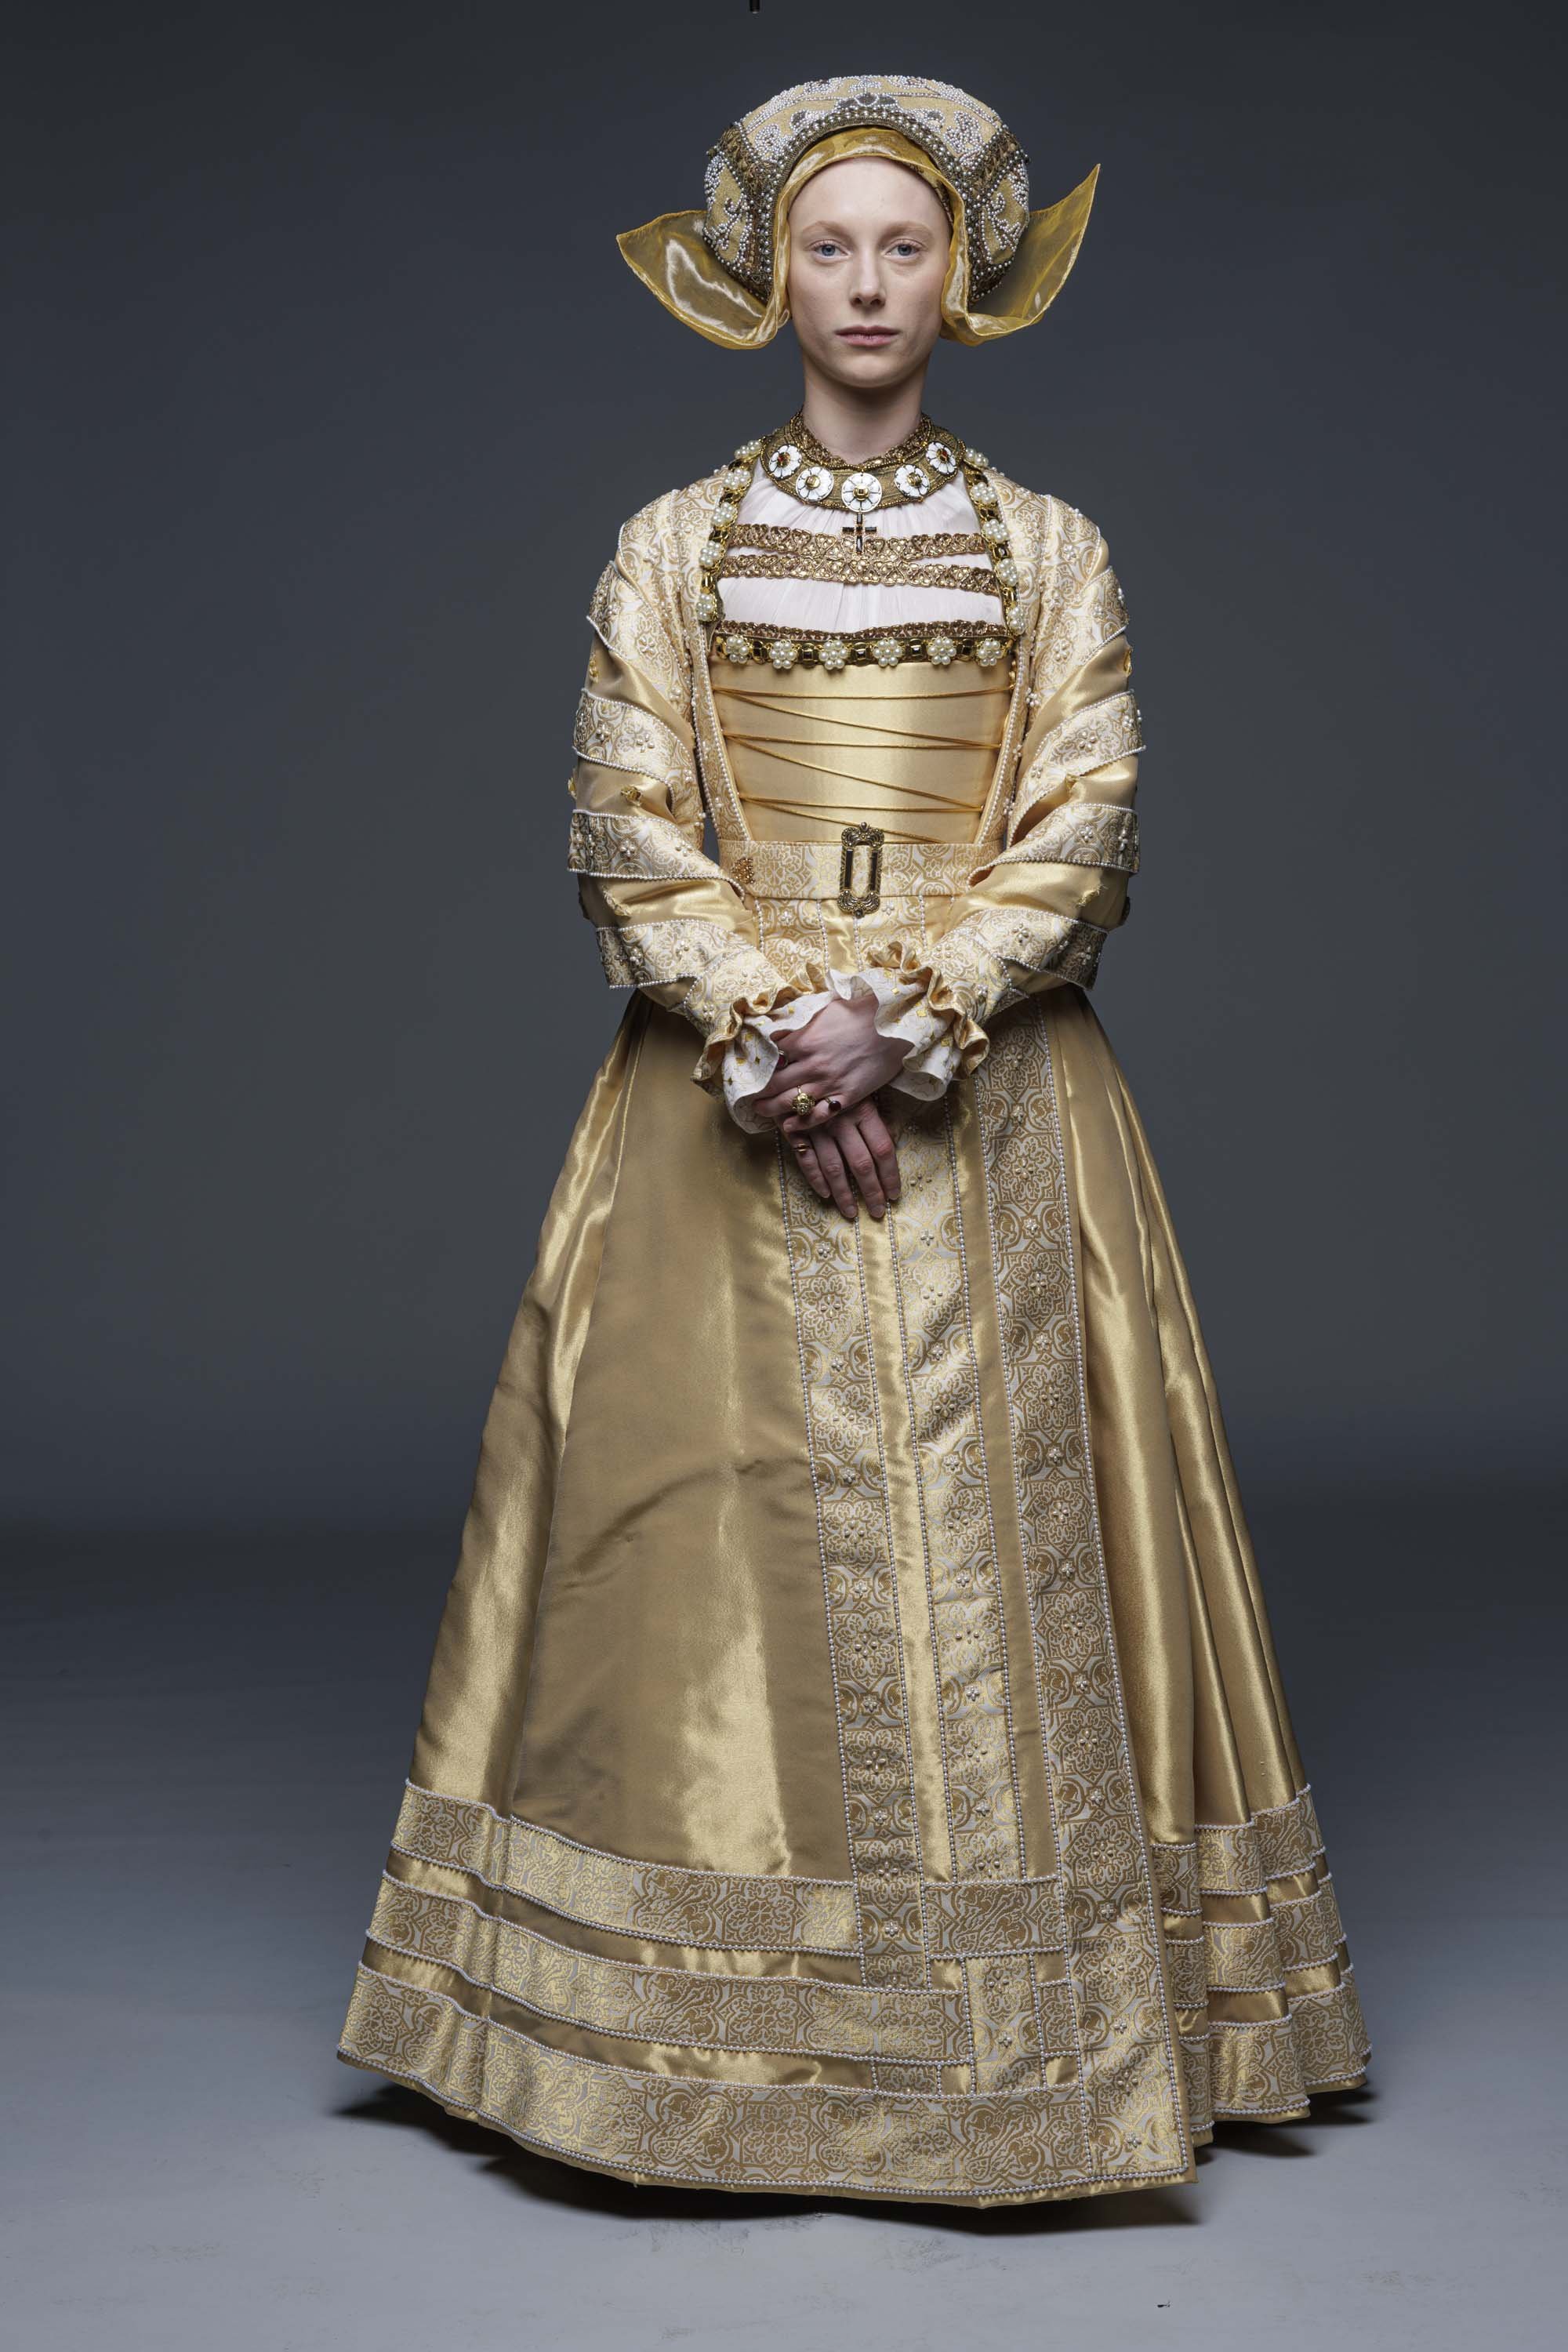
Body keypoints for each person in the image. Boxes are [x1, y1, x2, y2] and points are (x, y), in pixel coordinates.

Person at [337, 74, 1368, 2208]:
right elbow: (626, 824)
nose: (871, 282)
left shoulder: (1054, 549)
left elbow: (1088, 823)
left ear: (967, 278)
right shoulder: (673, 546)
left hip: (1001, 1114)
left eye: (907, 246)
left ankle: (1032, 2038)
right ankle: (695, 2043)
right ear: (767, 277)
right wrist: (764, 1024)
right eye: (834, 245)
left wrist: (894, 1022)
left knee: (1023, 1546)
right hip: (709, 1114)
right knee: (701, 1565)